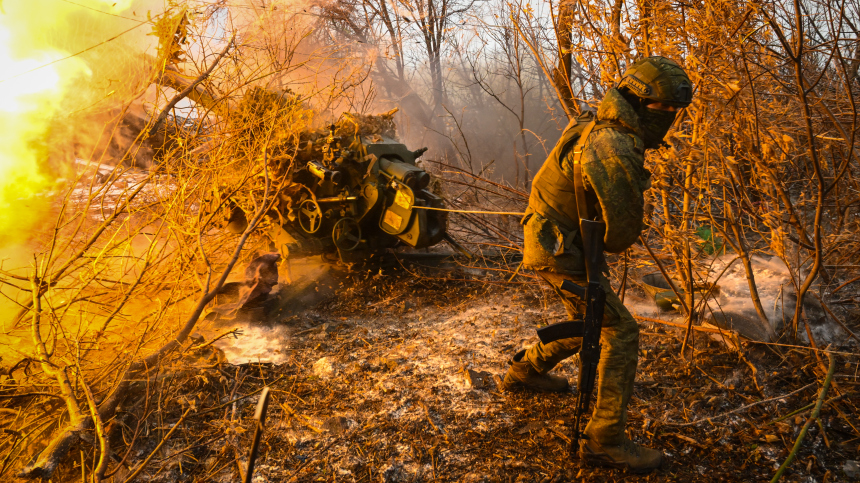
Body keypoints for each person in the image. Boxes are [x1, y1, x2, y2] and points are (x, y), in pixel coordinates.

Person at [501, 56, 693, 472]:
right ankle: (605, 441)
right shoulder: (614, 144)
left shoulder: (598, 118)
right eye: (665, 110)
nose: (670, 119)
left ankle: (525, 370)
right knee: (618, 330)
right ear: (641, 103)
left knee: (592, 320)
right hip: (560, 247)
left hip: (554, 240)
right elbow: (621, 234)